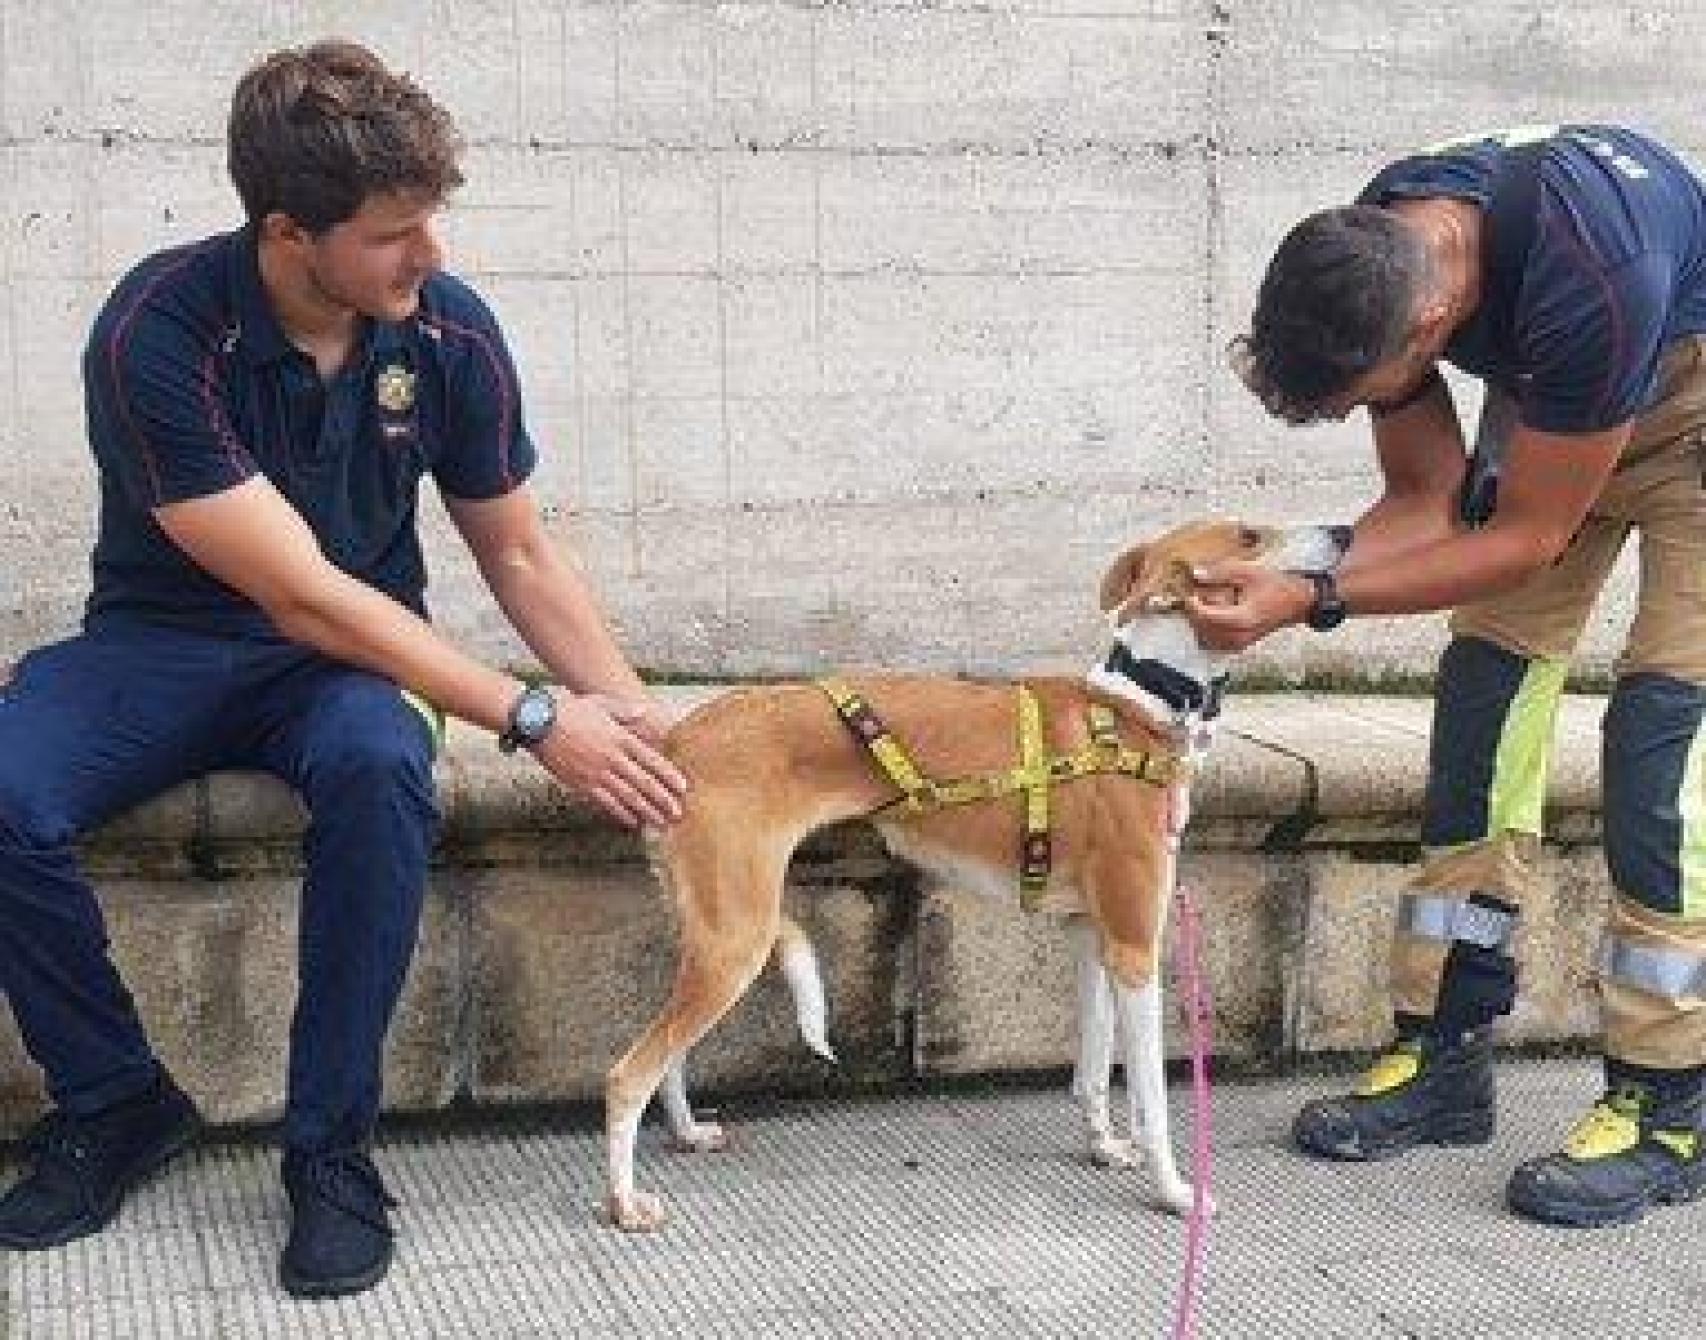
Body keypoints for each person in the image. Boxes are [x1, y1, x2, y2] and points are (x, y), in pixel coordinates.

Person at [0, 41, 688, 1297]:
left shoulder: (447, 331)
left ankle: (329, 1151)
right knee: (3, 792)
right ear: (285, 231)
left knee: (381, 767)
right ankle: (114, 1101)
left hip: (349, 666)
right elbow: (298, 590)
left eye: (431, 221)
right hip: (164, 641)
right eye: (391, 234)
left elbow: (520, 553)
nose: (427, 257)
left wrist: (636, 718)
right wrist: (534, 714)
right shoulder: (161, 330)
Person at [1186, 124, 1706, 1229]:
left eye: (1357, 393)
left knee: (1657, 749)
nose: (1350, 411)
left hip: (1688, 414)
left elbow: (1520, 538)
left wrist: (1315, 603)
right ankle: (1442, 1053)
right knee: (1479, 711)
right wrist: (1292, 567)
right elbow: (1424, 498)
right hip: (1562, 407)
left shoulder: (1591, 271)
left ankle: (1667, 1104)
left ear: (1426, 325)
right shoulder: (1380, 240)